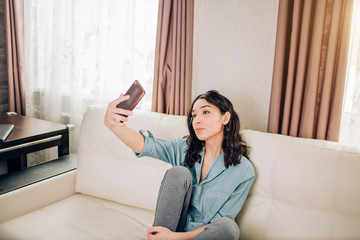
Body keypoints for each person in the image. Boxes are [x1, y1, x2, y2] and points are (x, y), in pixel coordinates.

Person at [104, 90, 255, 240]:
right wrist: (115, 126)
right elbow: (146, 145)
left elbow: (219, 222)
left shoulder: (244, 171)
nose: (197, 120)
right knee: (178, 173)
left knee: (229, 227)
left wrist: (175, 237)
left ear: (225, 118)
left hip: (201, 236)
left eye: (205, 112)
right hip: (168, 230)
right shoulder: (183, 149)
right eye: (194, 115)